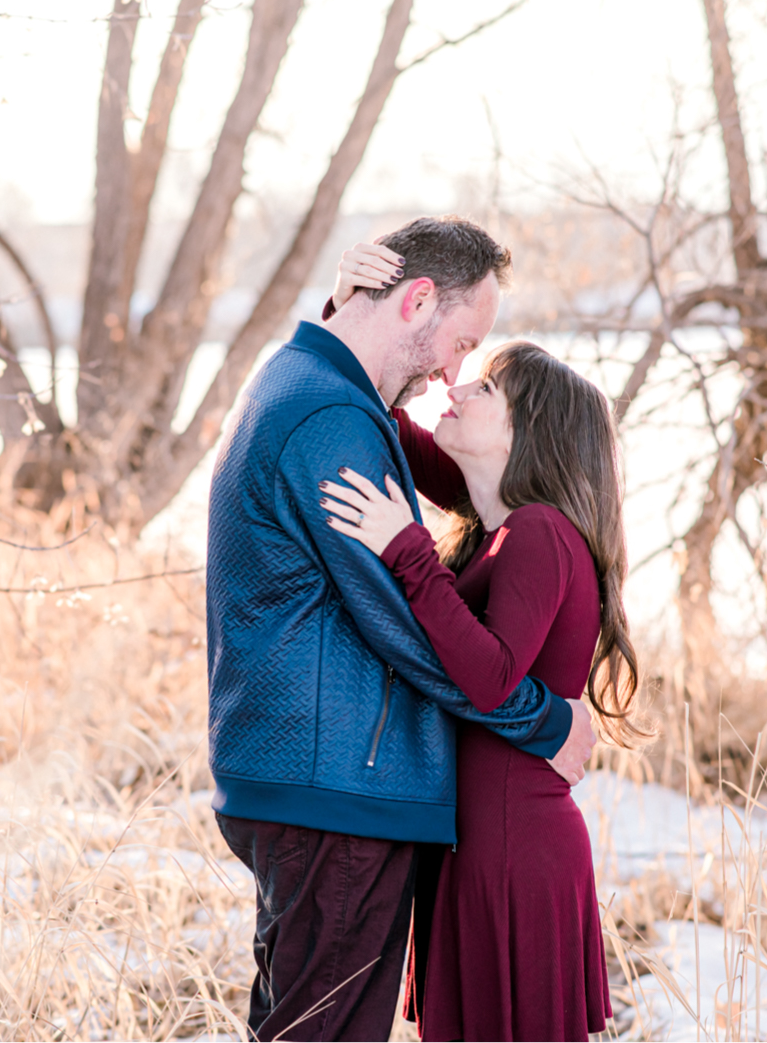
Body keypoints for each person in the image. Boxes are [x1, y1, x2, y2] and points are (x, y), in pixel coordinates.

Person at [205, 216, 598, 1042]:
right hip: (339, 790)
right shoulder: (333, 420)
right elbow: (406, 627)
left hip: (321, 782)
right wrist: (547, 721)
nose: (456, 373)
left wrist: (343, 309)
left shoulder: (314, 388)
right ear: (418, 299)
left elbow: (475, 485)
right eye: (463, 342)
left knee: (297, 1025)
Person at [318, 240, 647, 1041]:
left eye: (487, 385)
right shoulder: (497, 526)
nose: (458, 385)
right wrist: (343, 312)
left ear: (525, 430)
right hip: (482, 840)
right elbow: (382, 414)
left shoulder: (539, 533)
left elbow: (492, 677)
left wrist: (407, 551)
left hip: (514, 850)